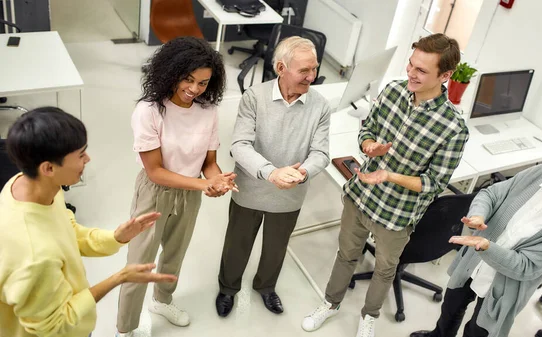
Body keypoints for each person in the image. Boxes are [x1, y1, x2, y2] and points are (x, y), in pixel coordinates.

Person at [302, 33, 469, 337]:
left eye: (421, 71)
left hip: (397, 213)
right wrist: (368, 146)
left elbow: (433, 184)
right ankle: (330, 304)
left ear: (445, 76)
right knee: (346, 255)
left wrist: (389, 175)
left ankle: (369, 317)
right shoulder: (392, 91)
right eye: (410, 64)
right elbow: (368, 128)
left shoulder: (453, 128)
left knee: (383, 269)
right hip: (361, 196)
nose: (410, 73)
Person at [0, 107, 177, 337]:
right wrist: (119, 278)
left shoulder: (28, 185)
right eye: (81, 154)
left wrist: (116, 237)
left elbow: (68, 230)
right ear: (49, 168)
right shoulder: (34, 256)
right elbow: (56, 326)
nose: (88, 159)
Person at [116, 36, 237, 336]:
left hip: (189, 195)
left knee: (175, 253)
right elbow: (156, 172)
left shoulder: (207, 110)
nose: (195, 90)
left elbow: (209, 162)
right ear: (171, 72)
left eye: (204, 83)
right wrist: (202, 184)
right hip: (154, 194)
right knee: (139, 263)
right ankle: (125, 328)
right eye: (188, 79)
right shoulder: (149, 111)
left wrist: (216, 179)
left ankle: (162, 300)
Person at [410, 147, 542, 337]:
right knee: (450, 308)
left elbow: (526, 267)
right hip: (474, 264)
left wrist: (485, 246)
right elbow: (491, 194)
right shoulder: (541, 173)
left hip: (505, 285)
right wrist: (479, 213)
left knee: (479, 331)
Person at [215, 36, 330, 317]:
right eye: (304, 70)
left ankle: (266, 286)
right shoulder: (254, 97)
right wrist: (271, 173)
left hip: (290, 194)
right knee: (237, 244)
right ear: (281, 68)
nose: (311, 77)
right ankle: (228, 289)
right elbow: (239, 145)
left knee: (276, 247)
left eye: (314, 69)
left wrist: (301, 174)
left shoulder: (320, 106)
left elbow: (321, 153)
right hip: (250, 189)